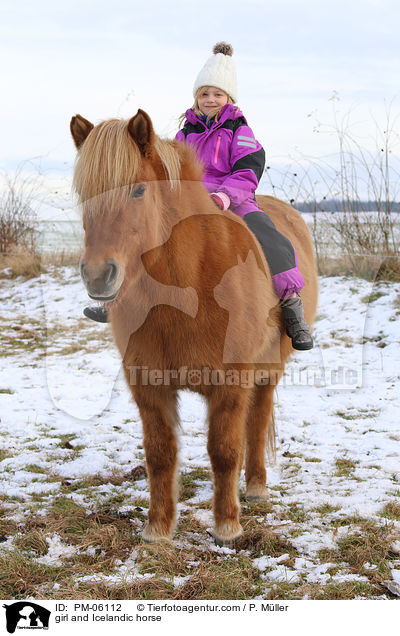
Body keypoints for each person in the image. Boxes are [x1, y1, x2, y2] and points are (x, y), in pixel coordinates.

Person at [84, 42, 313, 351]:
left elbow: (247, 173)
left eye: (217, 94)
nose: (210, 99)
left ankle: (291, 305)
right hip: (191, 205)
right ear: (196, 98)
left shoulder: (240, 132)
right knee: (146, 239)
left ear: (229, 98)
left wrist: (224, 197)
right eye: (204, 94)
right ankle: (118, 298)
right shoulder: (185, 133)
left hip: (233, 201)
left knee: (271, 238)